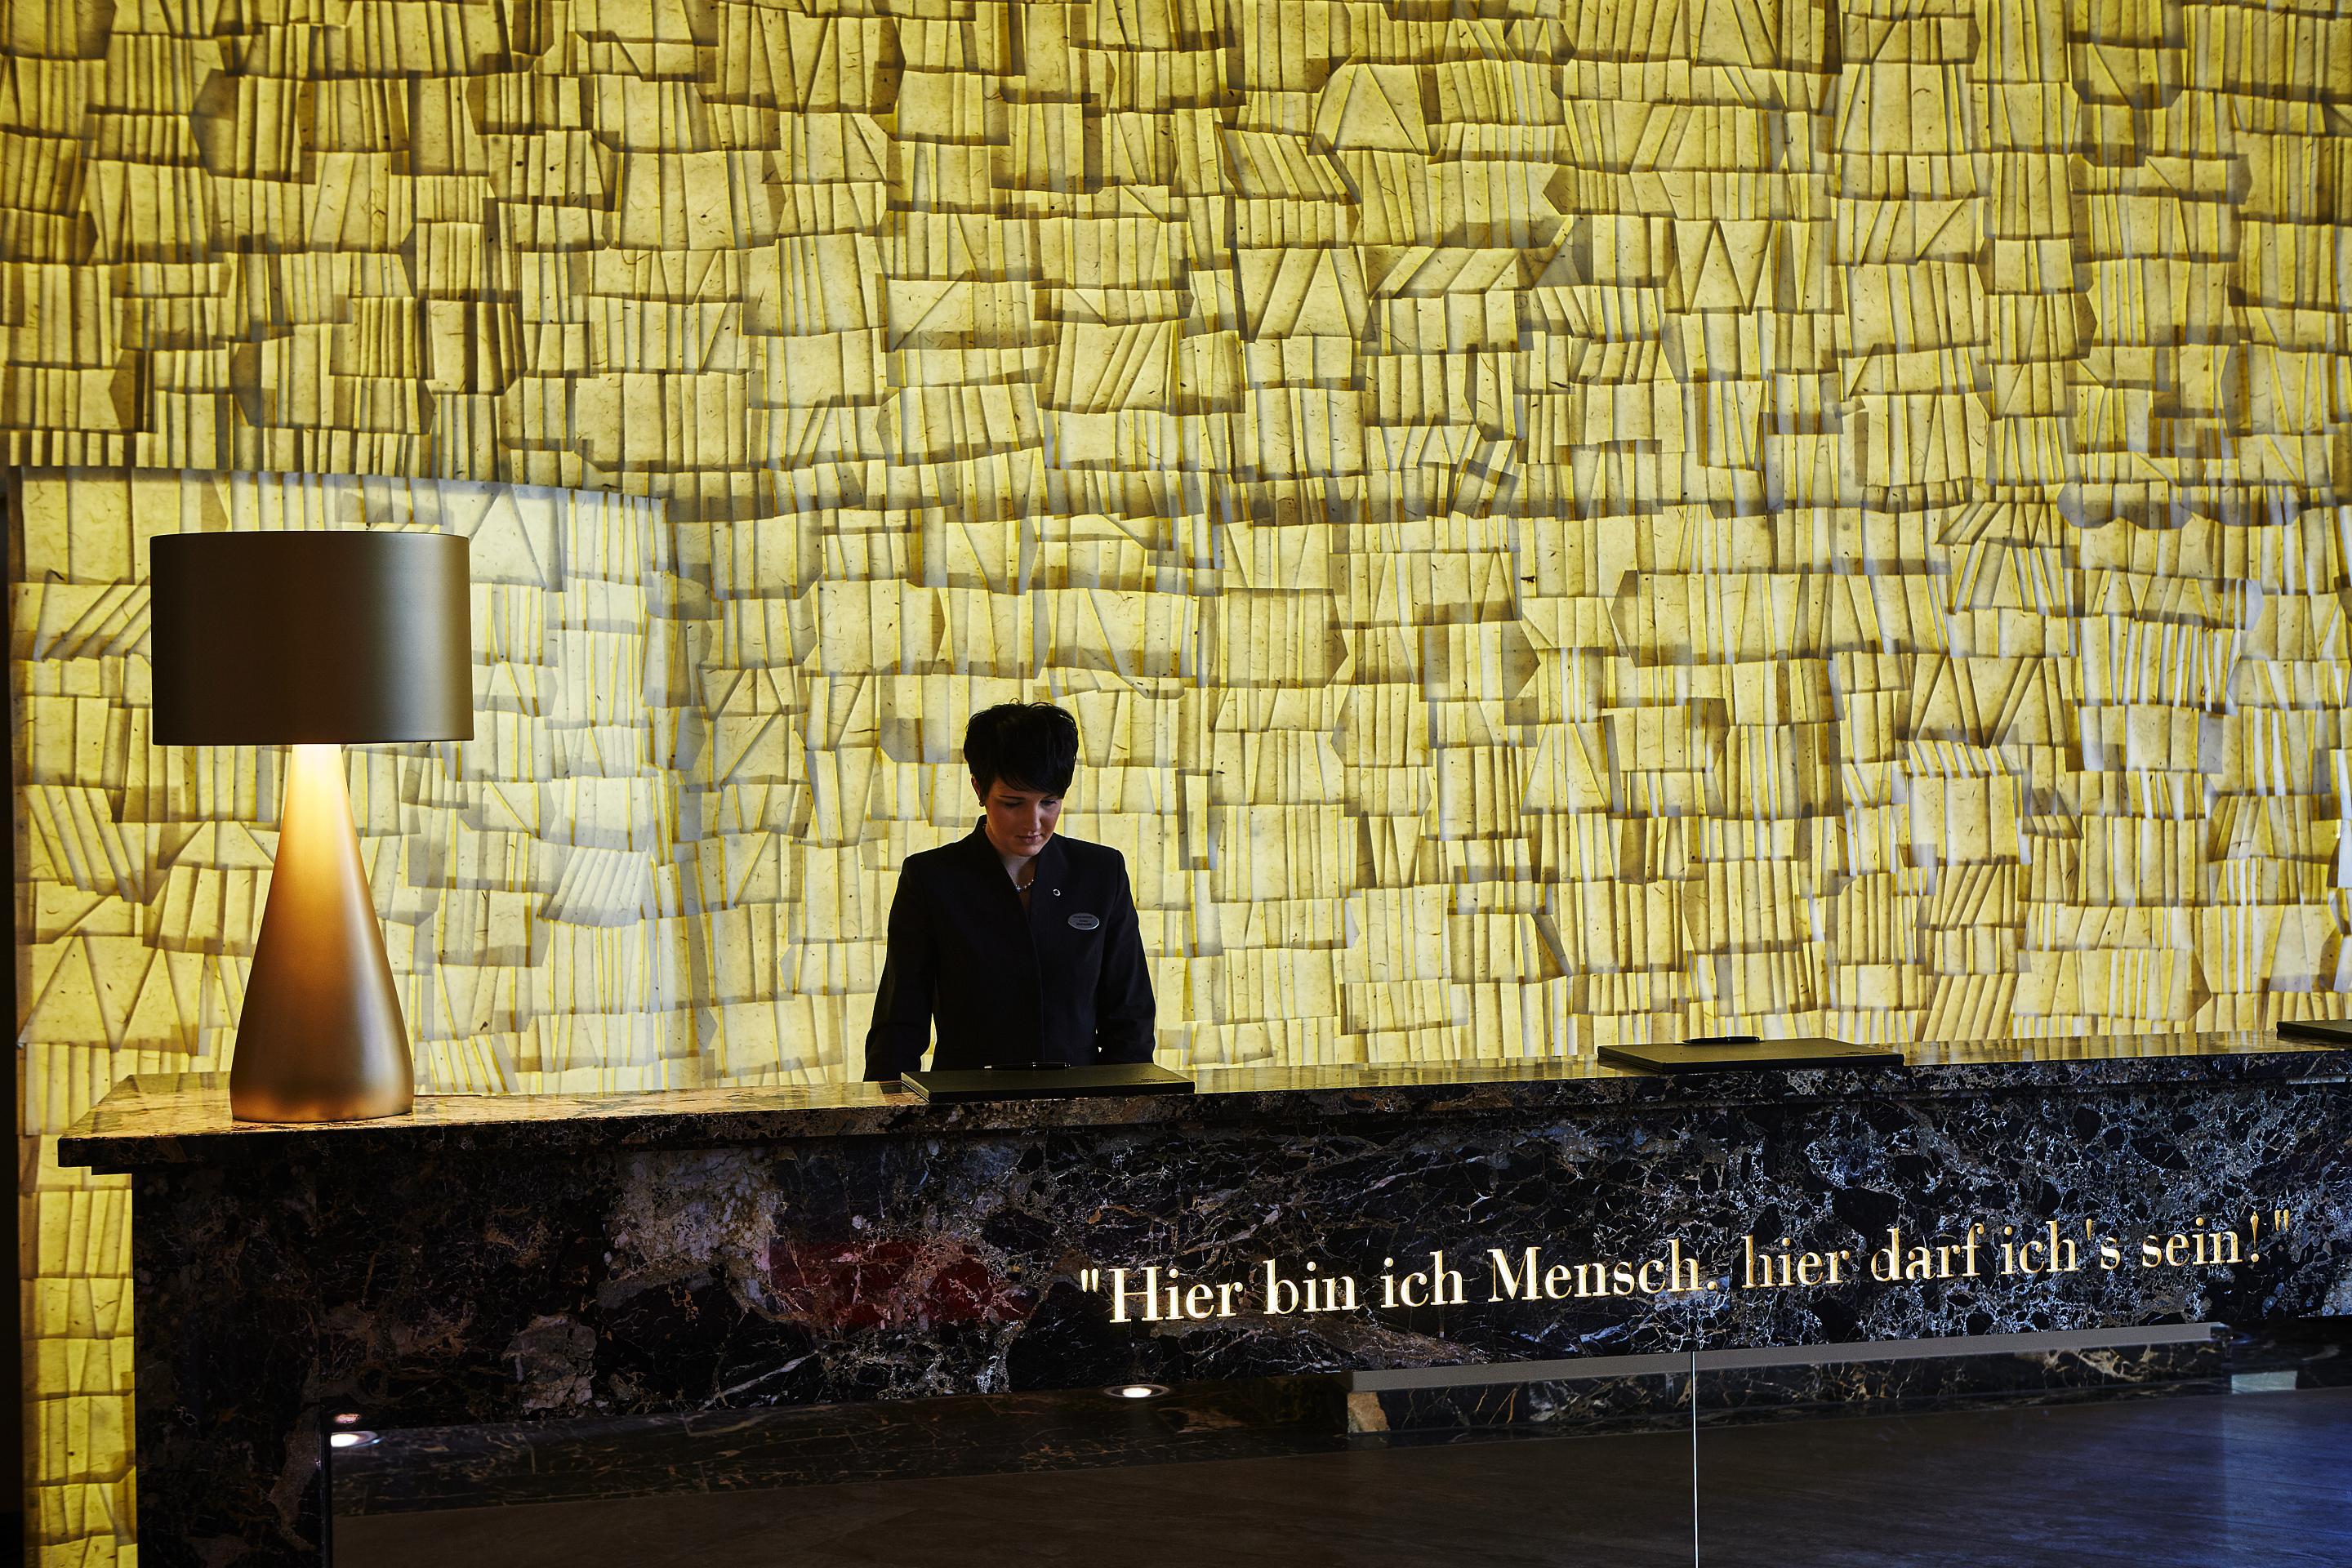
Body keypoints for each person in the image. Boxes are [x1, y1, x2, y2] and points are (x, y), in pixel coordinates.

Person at [862, 702, 1156, 1081]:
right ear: (979, 789)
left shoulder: (1100, 872)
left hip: (1082, 1105)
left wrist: (1126, 1115)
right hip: (964, 1105)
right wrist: (889, 1122)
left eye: (1049, 802)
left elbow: (1129, 1013)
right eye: (1013, 803)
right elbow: (899, 1021)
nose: (1034, 823)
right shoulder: (931, 878)